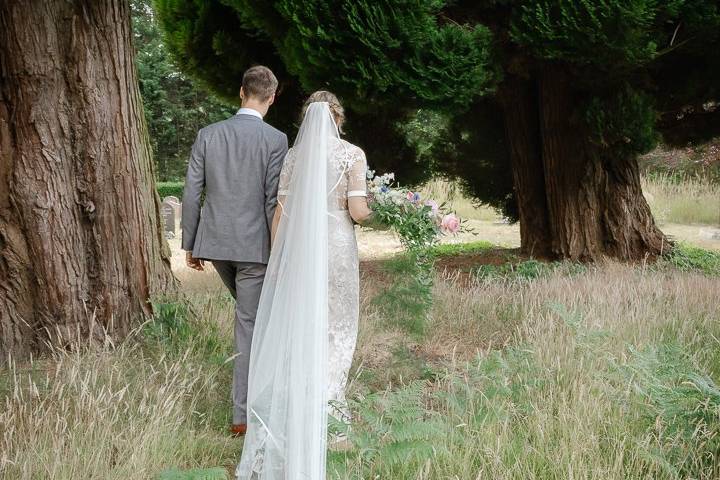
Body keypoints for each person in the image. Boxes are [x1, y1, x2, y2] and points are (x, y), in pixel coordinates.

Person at [236, 92, 372, 479]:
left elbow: (281, 213)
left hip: (300, 250)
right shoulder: (352, 154)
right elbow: (358, 212)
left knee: (303, 327)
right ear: (338, 119)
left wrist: (280, 262)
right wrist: (384, 209)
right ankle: (331, 416)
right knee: (338, 327)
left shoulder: (294, 158)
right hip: (336, 247)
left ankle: (299, 410)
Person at [181, 66, 288, 437]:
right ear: (271, 98)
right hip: (254, 248)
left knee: (250, 320)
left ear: (241, 91)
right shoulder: (276, 140)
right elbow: (271, 199)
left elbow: (192, 191)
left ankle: (259, 398)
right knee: (250, 325)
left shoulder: (209, 134)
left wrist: (191, 244)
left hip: (216, 246)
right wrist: (276, 251)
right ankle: (243, 416)